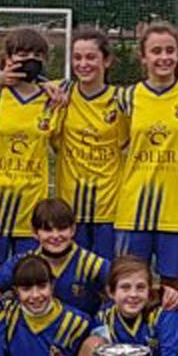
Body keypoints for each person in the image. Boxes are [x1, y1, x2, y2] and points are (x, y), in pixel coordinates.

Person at [113, 21, 178, 297]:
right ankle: (130, 341)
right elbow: (117, 144)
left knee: (172, 292)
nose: (163, 57)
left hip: (176, 211)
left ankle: (169, 341)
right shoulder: (127, 97)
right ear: (143, 57)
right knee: (130, 287)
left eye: (170, 50)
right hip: (133, 209)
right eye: (156, 51)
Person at [0, 27, 60, 265]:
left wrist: (45, 84)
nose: (29, 60)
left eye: (37, 54)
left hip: (31, 205)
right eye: (21, 54)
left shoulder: (54, 100)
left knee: (28, 273)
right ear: (7, 59)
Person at [55, 27, 128, 257]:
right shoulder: (59, 93)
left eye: (90, 57)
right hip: (70, 207)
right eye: (77, 58)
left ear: (106, 61)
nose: (83, 64)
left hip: (109, 207)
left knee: (106, 278)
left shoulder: (121, 100)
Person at [0, 198, 109, 315]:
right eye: (48, 230)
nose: (55, 236)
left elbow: (122, 285)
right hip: (33, 334)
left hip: (79, 334)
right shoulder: (23, 262)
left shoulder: (92, 264)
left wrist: (99, 328)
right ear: (34, 232)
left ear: (73, 229)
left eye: (62, 228)